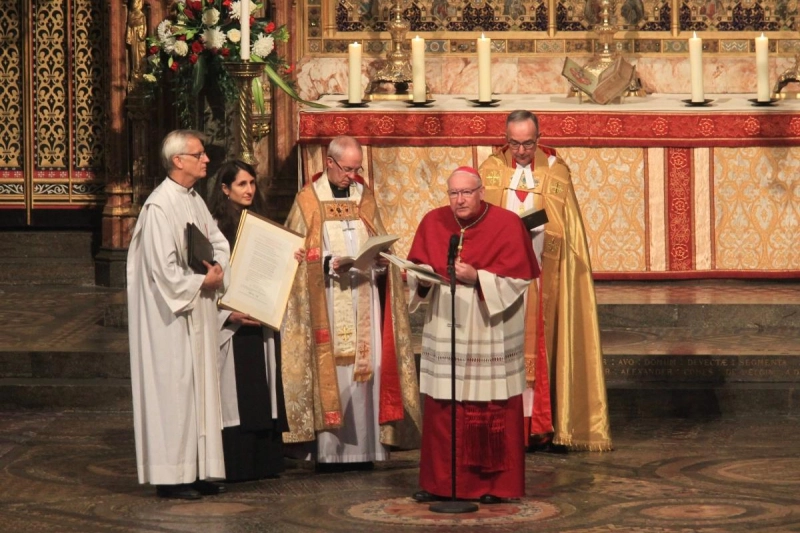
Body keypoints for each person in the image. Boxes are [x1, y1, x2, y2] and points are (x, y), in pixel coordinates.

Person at [281, 135, 421, 470]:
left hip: (365, 296)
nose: (352, 176)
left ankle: (368, 448)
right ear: (328, 163)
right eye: (347, 169)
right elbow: (294, 253)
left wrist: (382, 259)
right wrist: (328, 261)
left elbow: (378, 240)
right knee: (334, 370)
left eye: (357, 169)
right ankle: (331, 453)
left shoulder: (364, 197)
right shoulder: (308, 200)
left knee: (368, 369)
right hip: (326, 300)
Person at [479, 110, 612, 452]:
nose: (521, 151)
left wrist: (537, 227)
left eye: (528, 143)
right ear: (505, 138)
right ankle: (505, 426)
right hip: (502, 280)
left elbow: (567, 229)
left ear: (538, 138)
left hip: (543, 276)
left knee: (544, 345)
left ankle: (544, 425)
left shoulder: (556, 172)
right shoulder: (491, 171)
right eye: (514, 143)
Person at [407, 166, 538, 504]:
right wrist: (420, 280)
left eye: (466, 192)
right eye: (453, 193)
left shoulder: (507, 224)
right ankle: (439, 482)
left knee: (488, 405)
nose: (460, 200)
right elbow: (416, 271)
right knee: (443, 405)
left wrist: (477, 277)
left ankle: (494, 485)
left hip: (487, 325)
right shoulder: (433, 221)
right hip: (446, 323)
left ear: (481, 192)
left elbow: (520, 279)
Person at [127, 130, 230, 500]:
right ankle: (172, 477)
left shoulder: (193, 200)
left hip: (196, 310)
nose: (206, 160)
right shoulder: (159, 207)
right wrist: (202, 281)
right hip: (170, 320)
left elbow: (217, 241)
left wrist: (217, 268)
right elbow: (163, 271)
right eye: (199, 154)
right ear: (178, 161)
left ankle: (199, 469)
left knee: (199, 391)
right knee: (175, 392)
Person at [208, 160, 292, 481]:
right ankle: (239, 462)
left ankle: (265, 461)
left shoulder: (263, 224)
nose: (249, 190)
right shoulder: (214, 228)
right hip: (232, 322)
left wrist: (289, 259)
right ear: (225, 189)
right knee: (236, 392)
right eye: (242, 184)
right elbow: (206, 276)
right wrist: (227, 312)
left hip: (260, 318)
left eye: (252, 183)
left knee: (263, 388)